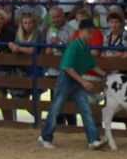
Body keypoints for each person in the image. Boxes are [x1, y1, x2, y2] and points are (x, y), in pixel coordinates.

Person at [39, 19, 107, 150]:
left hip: (74, 80)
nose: (91, 36)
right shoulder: (74, 46)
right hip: (67, 79)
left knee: (84, 108)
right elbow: (67, 68)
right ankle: (45, 136)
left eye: (92, 33)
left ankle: (93, 139)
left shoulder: (83, 47)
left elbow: (91, 64)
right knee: (56, 108)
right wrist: (83, 82)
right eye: (89, 32)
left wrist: (104, 74)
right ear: (80, 31)